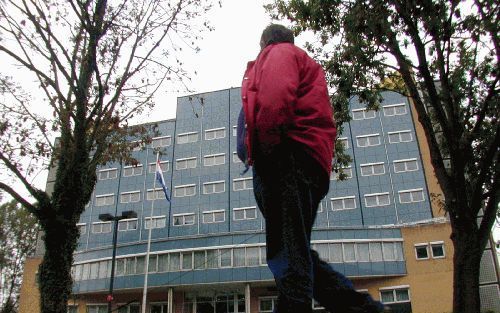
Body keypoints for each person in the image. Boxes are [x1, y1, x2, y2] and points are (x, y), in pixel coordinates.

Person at [237, 24, 387, 313]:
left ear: (265, 41)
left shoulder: (279, 53)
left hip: (285, 158)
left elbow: (275, 98)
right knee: (296, 251)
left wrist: (268, 151)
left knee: (290, 255)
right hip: (300, 161)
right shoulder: (299, 62)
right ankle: (362, 309)